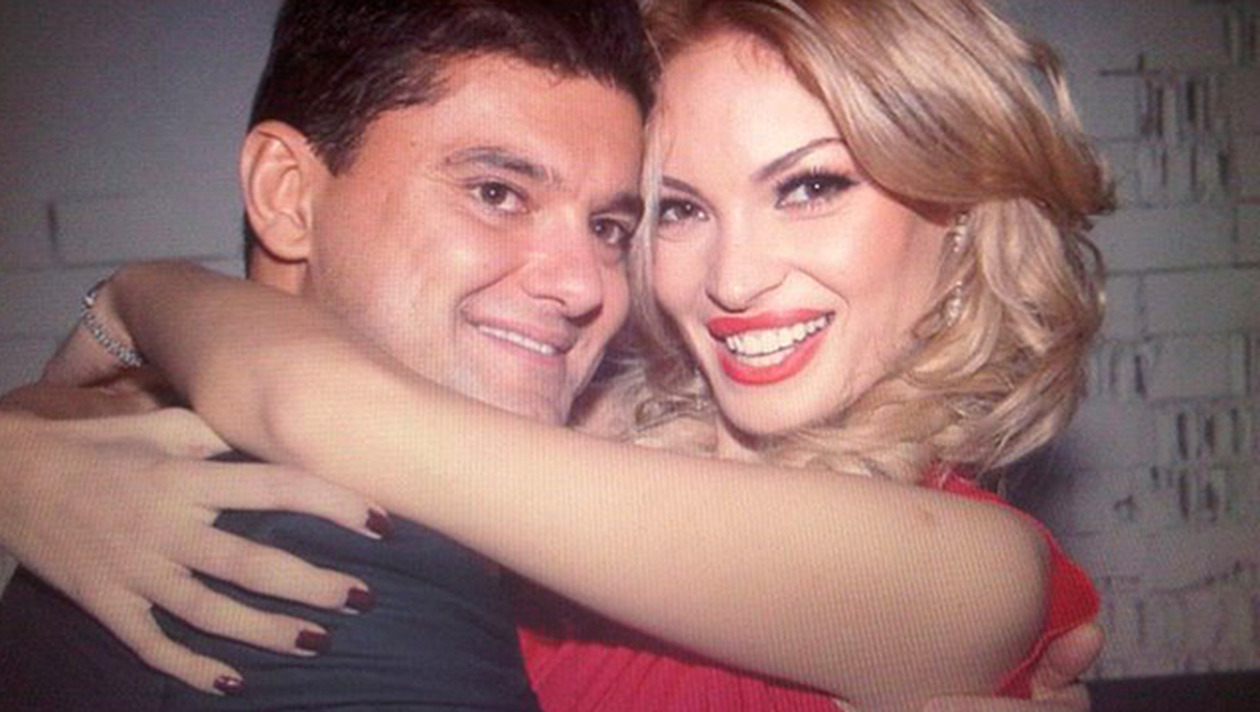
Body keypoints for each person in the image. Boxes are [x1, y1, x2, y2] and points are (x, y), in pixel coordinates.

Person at [0, 0, 1106, 710]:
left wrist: (139, 295)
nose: (732, 277)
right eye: (678, 210)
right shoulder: (560, 436)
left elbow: (314, 401)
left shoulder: (977, 575)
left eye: (811, 186)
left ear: (964, 220)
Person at [0, 0, 652, 709]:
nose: (584, 286)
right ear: (285, 194)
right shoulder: (334, 567)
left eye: (608, 229)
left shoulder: (129, 478)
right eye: (496, 193)